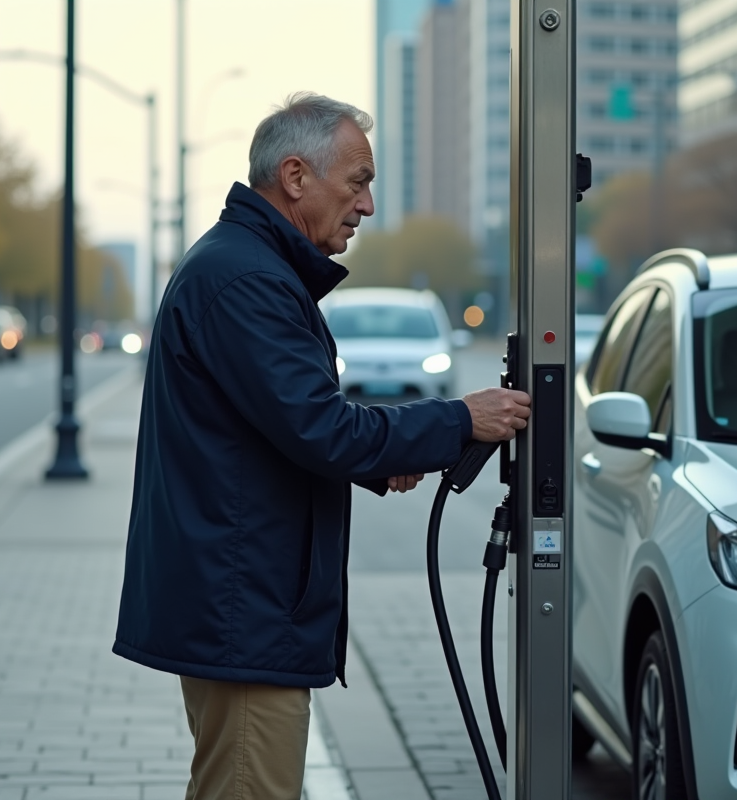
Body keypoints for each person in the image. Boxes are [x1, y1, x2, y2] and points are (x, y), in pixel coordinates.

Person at [113, 92, 531, 800]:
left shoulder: (244, 267)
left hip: (240, 603)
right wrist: (461, 420)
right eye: (359, 182)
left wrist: (386, 456)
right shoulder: (247, 280)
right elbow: (323, 429)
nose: (367, 206)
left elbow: (285, 430)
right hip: (243, 611)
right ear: (297, 176)